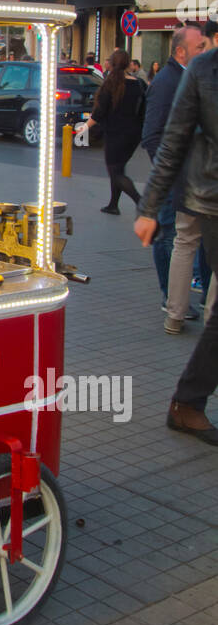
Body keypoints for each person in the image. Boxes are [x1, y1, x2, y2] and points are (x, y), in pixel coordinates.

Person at [135, 44, 218, 445]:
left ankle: (189, 402)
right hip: (213, 202)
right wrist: (149, 206)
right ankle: (187, 403)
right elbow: (171, 141)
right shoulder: (202, 71)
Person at [141, 25, 207, 330]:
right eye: (199, 48)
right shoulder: (168, 82)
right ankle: (171, 300)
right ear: (180, 52)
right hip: (175, 180)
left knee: (184, 239)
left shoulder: (189, 77)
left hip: (192, 181)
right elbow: (152, 135)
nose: (204, 52)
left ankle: (182, 304)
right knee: (169, 237)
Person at [84, 49, 145, 213]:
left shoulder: (110, 84)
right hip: (133, 135)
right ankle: (113, 205)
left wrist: (84, 128)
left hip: (115, 134)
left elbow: (99, 113)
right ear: (128, 64)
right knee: (119, 168)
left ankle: (141, 203)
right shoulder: (139, 84)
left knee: (115, 172)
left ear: (111, 64)